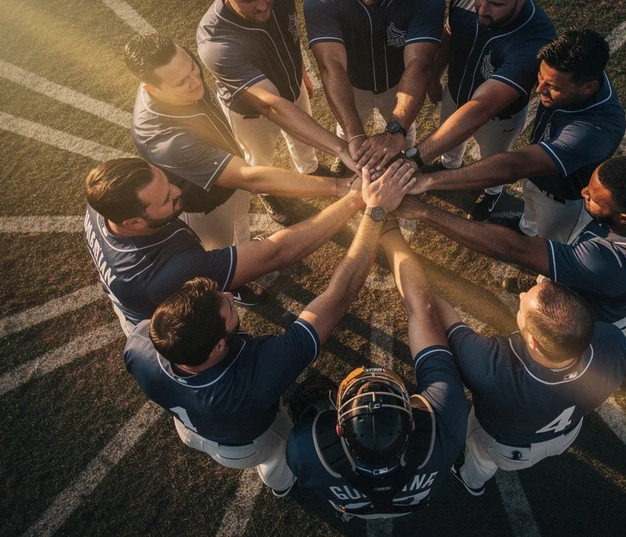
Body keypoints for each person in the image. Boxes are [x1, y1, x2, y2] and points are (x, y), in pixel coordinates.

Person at [122, 163, 416, 497]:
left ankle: (280, 484)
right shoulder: (255, 377)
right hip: (245, 441)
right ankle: (286, 484)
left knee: (263, 457)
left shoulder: (142, 340)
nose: (231, 293)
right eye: (228, 306)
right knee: (277, 453)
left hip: (189, 428)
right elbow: (338, 297)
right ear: (218, 347)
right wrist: (374, 211)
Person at [286, 215, 468, 519]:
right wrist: (392, 228)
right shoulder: (445, 425)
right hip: (411, 500)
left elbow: (306, 470)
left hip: (351, 503)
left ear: (338, 429)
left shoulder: (306, 448)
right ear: (412, 424)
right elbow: (422, 310)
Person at [397, 155, 626, 335]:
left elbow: (513, 248)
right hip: (614, 290)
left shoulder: (606, 262)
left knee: (553, 354)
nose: (583, 193)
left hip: (594, 321)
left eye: (592, 198)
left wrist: (425, 212)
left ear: (624, 219)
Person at [84, 158, 363, 334]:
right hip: (165, 324)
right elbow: (277, 252)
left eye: (168, 182)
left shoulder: (103, 203)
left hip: (133, 300)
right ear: (134, 222)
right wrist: (354, 200)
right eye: (167, 199)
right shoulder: (170, 272)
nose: (178, 191)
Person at [127, 33, 353, 244]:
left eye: (193, 69)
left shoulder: (178, 65)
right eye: (181, 83)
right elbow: (249, 179)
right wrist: (337, 186)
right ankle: (238, 284)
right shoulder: (163, 138)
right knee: (221, 250)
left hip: (230, 171)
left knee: (242, 226)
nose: (195, 81)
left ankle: (245, 245)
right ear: (152, 89)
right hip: (205, 206)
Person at [411, 29, 625, 241]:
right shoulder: (581, 73)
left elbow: (515, 166)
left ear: (588, 87)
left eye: (553, 86)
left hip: (562, 198)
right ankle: (525, 227)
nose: (540, 89)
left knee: (550, 244)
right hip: (537, 177)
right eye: (540, 77)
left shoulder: (594, 130)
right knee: (530, 210)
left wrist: (428, 181)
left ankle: (543, 274)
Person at [442, 279, 626, 495]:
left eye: (522, 305)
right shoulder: (614, 342)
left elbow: (449, 325)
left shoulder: (494, 368)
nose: (521, 295)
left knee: (480, 457)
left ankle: (471, 481)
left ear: (532, 342)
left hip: (509, 448)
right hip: (567, 432)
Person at [197, 0, 352, 226]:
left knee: (305, 143)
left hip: (292, 85)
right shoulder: (215, 40)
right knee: (259, 158)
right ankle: (266, 191)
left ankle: (309, 167)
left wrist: (299, 70)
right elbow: (269, 104)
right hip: (250, 112)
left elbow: (288, 33)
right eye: (247, 0)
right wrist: (341, 147)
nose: (262, 5)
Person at [404, 0, 557, 223]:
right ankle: (449, 165)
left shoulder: (536, 39)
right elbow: (450, 34)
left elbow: (483, 108)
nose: (482, 9)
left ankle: (492, 192)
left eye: (496, 4)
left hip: (498, 116)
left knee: (492, 160)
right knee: (449, 139)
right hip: (456, 92)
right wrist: (435, 75)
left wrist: (416, 156)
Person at [304, 0, 445, 174]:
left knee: (405, 130)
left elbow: (419, 64)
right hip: (351, 84)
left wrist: (396, 130)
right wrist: (354, 137)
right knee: (346, 130)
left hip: (401, 84)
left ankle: (404, 160)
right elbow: (331, 64)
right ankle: (346, 161)